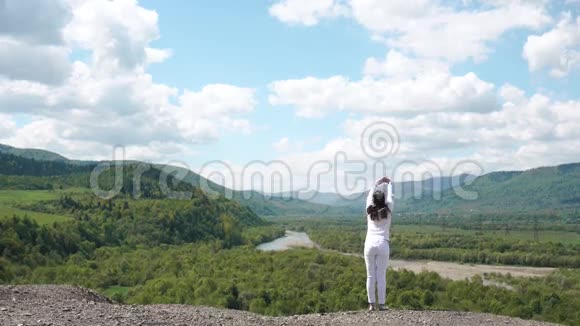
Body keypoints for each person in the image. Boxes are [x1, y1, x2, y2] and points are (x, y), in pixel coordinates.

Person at [364, 176, 393, 311]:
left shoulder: (369, 210)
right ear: (384, 199)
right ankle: (381, 305)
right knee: (381, 275)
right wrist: (389, 184)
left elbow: (370, 193)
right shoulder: (389, 210)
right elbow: (389, 198)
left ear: (374, 200)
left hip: (369, 244)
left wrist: (378, 182)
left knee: (370, 275)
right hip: (383, 244)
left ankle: (371, 305)